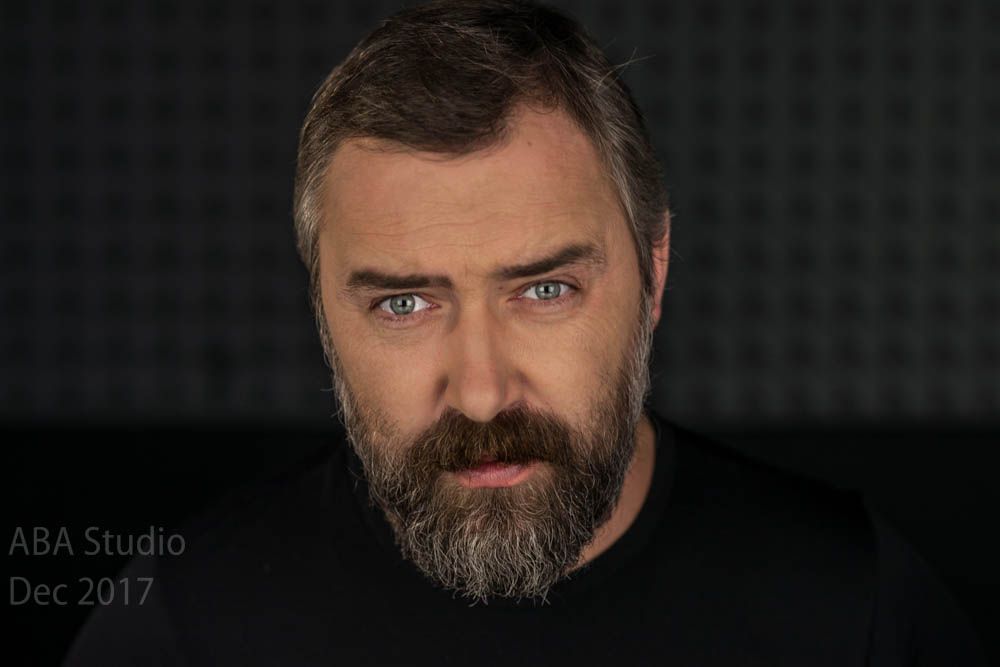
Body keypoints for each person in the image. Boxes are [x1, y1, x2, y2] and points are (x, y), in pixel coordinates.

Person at [64, 1, 988, 664]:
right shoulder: (187, 623)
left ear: (654, 274)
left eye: (544, 289)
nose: (480, 393)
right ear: (322, 313)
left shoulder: (852, 604)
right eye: (403, 304)